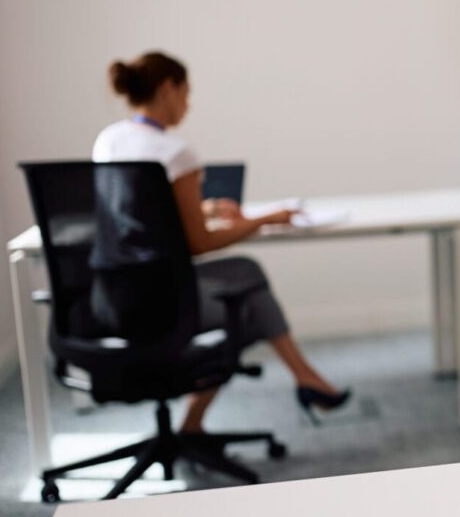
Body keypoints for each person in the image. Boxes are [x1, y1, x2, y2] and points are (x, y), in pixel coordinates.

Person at [93, 51, 350, 432]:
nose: (188, 105)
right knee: (250, 302)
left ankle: (297, 382)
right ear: (168, 89)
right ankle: (301, 381)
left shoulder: (109, 141)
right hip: (163, 307)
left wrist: (205, 207)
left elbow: (138, 213)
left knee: (246, 276)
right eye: (186, 93)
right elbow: (199, 243)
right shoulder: (176, 152)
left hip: (110, 299)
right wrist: (266, 219)